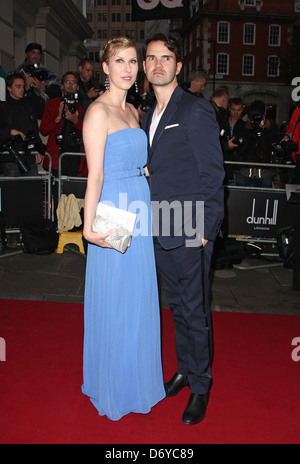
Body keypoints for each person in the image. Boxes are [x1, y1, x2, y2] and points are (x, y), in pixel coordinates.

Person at [142, 34, 225, 425]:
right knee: (175, 308)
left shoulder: (195, 109)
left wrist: (206, 230)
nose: (158, 64)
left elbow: (213, 174)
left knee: (195, 310)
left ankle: (202, 386)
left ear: (178, 66)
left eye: (166, 58)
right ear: (144, 67)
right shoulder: (147, 114)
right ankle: (184, 369)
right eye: (151, 58)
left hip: (191, 225)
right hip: (160, 225)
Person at [81, 37, 165, 421]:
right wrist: (88, 227)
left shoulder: (133, 109)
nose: (128, 68)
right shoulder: (98, 112)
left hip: (139, 207)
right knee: (117, 298)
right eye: (120, 61)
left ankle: (136, 381)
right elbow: (95, 175)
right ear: (105, 67)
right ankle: (113, 385)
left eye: (133, 61)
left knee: (138, 296)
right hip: (114, 208)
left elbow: (140, 162)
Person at [40, 72, 84, 177]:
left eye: (73, 82)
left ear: (78, 86)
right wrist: (58, 118)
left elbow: (92, 132)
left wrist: (76, 121)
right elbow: (43, 130)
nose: (70, 85)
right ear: (62, 86)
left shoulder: (85, 105)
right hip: (56, 155)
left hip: (76, 156)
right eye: (67, 82)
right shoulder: (52, 104)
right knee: (55, 190)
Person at [0, 73, 44, 177]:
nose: (22, 89)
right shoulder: (3, 107)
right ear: (9, 88)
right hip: (11, 157)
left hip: (29, 156)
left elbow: (34, 131)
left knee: (32, 190)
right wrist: (10, 132)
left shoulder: (27, 106)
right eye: (18, 86)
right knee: (14, 191)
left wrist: (38, 149)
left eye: (23, 86)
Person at [234, 100, 278, 188]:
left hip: (265, 173)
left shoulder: (269, 125)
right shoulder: (242, 125)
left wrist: (269, 127)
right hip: (245, 172)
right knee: (242, 200)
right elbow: (238, 147)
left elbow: (274, 143)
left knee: (264, 200)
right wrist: (247, 129)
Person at [15, 42, 61, 119]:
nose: (36, 56)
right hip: (23, 117)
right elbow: (11, 96)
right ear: (27, 55)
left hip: (45, 119)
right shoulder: (18, 73)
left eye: (38, 53)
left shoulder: (49, 74)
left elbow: (58, 95)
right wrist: (25, 88)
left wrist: (44, 88)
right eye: (33, 53)